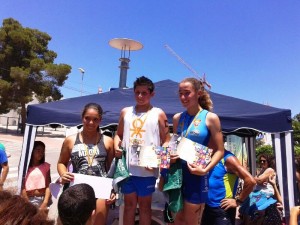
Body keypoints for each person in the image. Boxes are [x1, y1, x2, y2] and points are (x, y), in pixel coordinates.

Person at [114, 76, 171, 225]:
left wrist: (159, 162)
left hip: (147, 170)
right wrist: (116, 146)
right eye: (137, 92)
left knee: (145, 207)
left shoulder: (159, 113)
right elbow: (118, 135)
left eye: (144, 93)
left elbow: (167, 140)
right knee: (128, 207)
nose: (140, 96)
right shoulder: (125, 112)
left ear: (152, 94)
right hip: (127, 169)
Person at [171, 77, 225, 225]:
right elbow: (175, 146)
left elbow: (220, 150)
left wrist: (205, 169)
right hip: (178, 175)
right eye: (180, 93)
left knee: (191, 220)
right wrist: (170, 156)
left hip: (197, 175)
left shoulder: (210, 118)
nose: (183, 97)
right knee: (177, 220)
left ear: (198, 93)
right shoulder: (177, 118)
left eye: (187, 93)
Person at [57, 102, 115, 225]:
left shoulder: (108, 141)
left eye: (95, 119)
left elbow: (111, 169)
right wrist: (63, 174)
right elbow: (61, 163)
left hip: (100, 192)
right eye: (87, 118)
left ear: (100, 120)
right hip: (75, 191)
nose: (90, 122)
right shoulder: (70, 140)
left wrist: (113, 190)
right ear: (82, 117)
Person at [201, 149, 256, 225]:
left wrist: (238, 201)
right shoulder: (209, 156)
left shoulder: (228, 158)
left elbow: (250, 181)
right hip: (208, 207)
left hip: (223, 208)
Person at [239, 154, 282, 225]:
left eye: (264, 161)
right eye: (260, 161)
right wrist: (257, 180)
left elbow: (258, 180)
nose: (262, 162)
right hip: (257, 193)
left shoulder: (269, 169)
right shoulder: (262, 170)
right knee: (247, 212)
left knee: (254, 213)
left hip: (264, 194)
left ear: (268, 161)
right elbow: (256, 180)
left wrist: (256, 179)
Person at [21, 141, 52, 212]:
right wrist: (27, 201)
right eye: (38, 150)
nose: (41, 153)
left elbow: (48, 186)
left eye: (42, 151)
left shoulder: (46, 166)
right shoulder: (25, 167)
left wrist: (45, 202)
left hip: (41, 199)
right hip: (28, 200)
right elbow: (22, 186)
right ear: (32, 151)